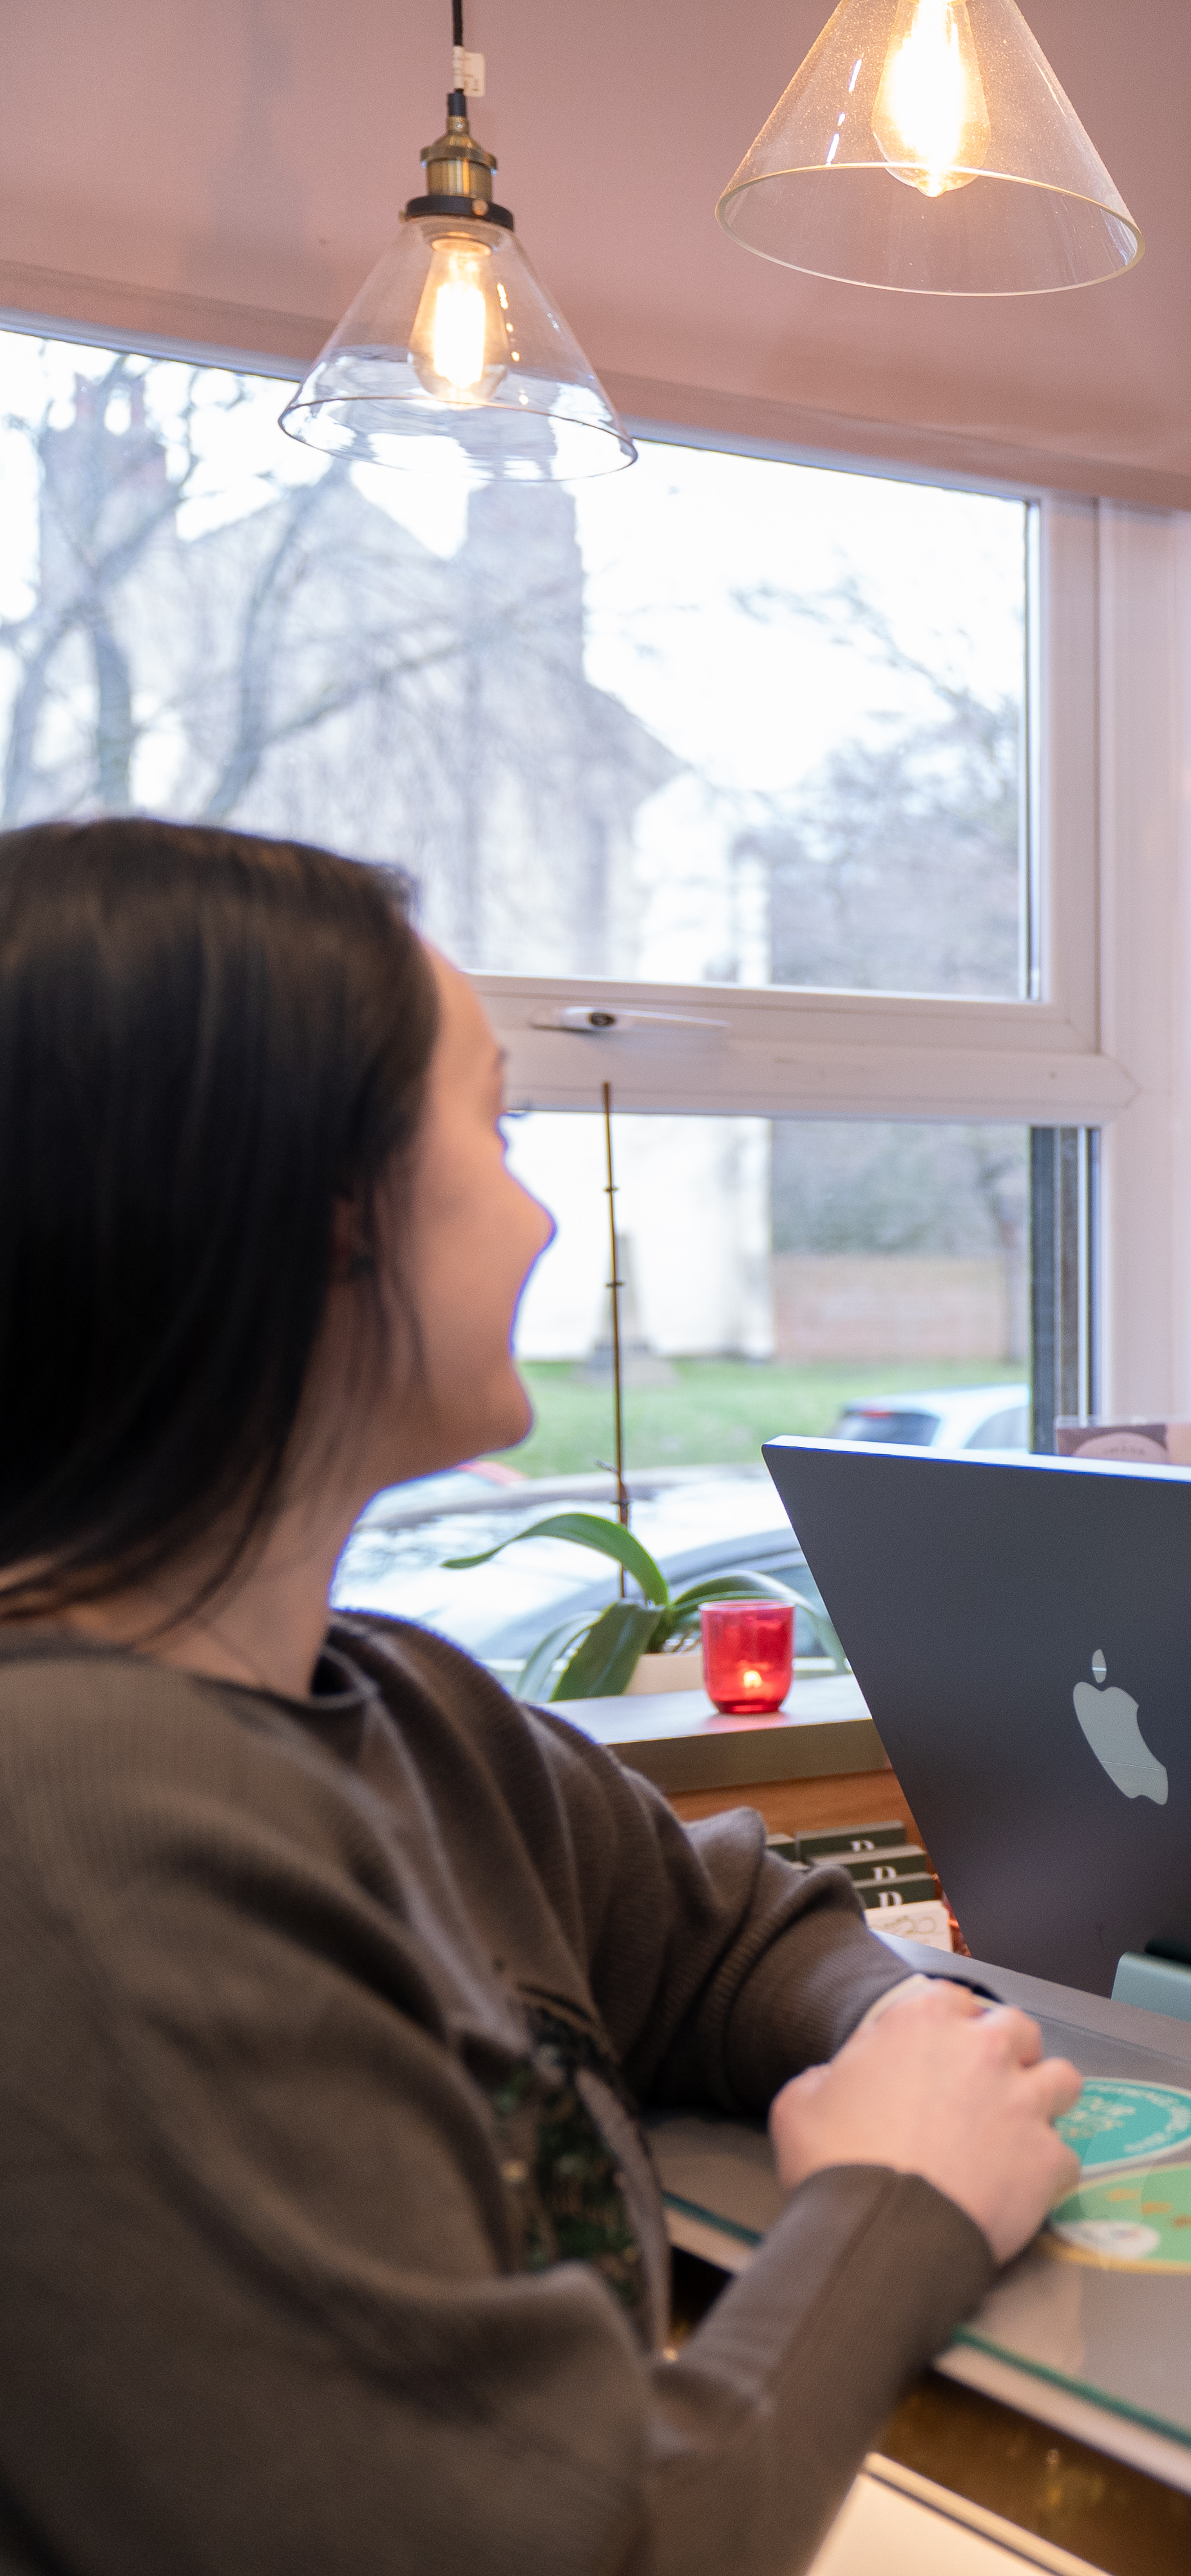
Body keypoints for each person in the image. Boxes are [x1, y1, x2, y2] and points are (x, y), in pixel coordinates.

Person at [0, 819, 1081, 2573]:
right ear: (320, 1226)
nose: (533, 1210)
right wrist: (898, 2199)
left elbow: (723, 1933)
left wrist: (894, 2040)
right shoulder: (73, 1850)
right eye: (494, 1131)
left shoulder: (401, 1706)